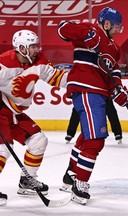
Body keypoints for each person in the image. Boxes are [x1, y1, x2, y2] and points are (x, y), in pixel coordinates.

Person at [57, 7, 128, 205]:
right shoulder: (90, 29)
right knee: (96, 139)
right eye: (115, 27)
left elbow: (113, 72)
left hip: (100, 93)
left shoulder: (114, 47)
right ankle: (80, 184)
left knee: (88, 135)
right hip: (87, 89)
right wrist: (86, 33)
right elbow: (62, 28)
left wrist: (119, 91)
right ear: (106, 24)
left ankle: (71, 174)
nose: (117, 30)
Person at [0, 29, 68, 206]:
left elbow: (55, 77)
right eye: (32, 46)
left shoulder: (39, 61)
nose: (36, 49)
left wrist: (81, 81)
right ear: (21, 48)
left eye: (37, 46)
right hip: (0, 111)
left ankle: (27, 181)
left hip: (14, 113)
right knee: (2, 149)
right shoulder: (5, 63)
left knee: (38, 141)